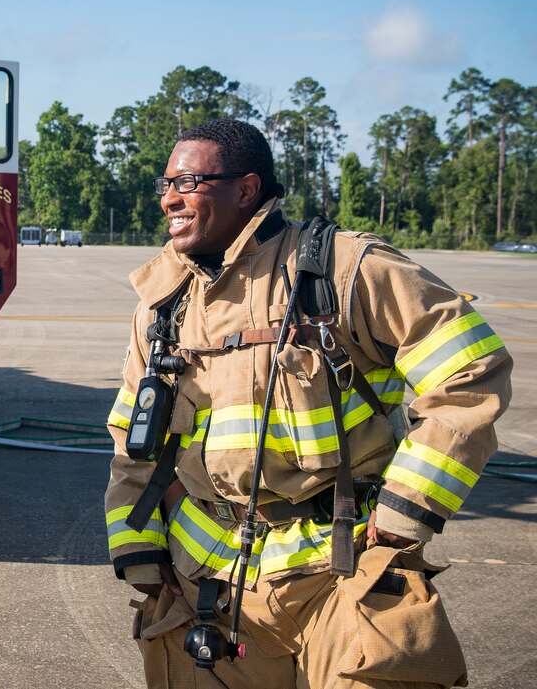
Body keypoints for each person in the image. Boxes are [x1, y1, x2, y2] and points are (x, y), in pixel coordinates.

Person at [104, 118, 512, 689]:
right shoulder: (161, 303)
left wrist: (404, 515)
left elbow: (471, 371)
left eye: (190, 181)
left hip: (342, 575)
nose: (170, 197)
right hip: (208, 583)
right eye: (164, 183)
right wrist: (136, 545)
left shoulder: (344, 270)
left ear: (245, 189)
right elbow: (133, 433)